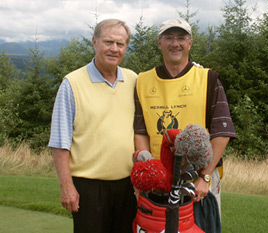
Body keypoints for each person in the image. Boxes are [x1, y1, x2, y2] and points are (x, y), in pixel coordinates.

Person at [134, 18, 236, 223]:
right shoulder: (142, 81)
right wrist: (147, 172)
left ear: (190, 43)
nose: (175, 43)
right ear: (159, 42)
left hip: (199, 181)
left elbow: (222, 133)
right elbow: (140, 131)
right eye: (169, 38)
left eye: (181, 38)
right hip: (157, 179)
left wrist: (205, 177)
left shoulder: (209, 79)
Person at [48, 19, 137, 233]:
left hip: (128, 186)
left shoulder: (134, 79)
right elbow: (60, 142)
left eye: (120, 44)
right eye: (108, 42)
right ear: (94, 42)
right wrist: (66, 186)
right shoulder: (72, 83)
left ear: (126, 47)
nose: (114, 49)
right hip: (88, 187)